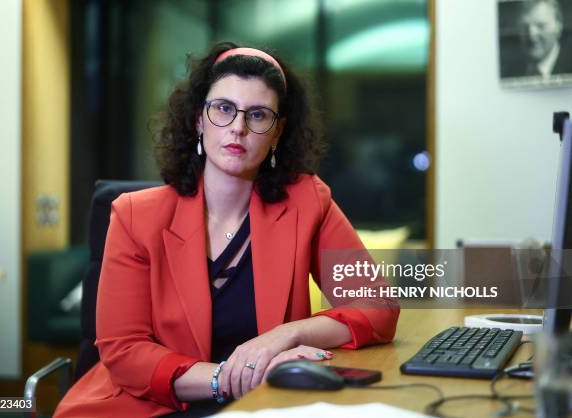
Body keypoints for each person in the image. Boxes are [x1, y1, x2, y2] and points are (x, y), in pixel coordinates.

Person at [54, 42, 399, 418]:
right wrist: (230, 377)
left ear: (277, 132)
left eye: (258, 115)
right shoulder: (135, 215)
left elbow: (378, 306)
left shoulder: (307, 201)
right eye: (223, 109)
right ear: (199, 119)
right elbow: (125, 354)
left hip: (260, 406)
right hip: (149, 405)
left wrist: (286, 335)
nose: (238, 127)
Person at [502, 0, 572, 78]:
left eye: (540, 26)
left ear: (559, 26)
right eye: (525, 27)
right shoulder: (508, 72)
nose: (532, 35)